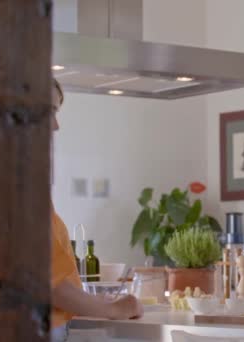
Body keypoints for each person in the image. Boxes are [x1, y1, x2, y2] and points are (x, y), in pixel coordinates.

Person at [50, 78, 143, 341]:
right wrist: (112, 308)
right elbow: (51, 284)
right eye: (50, 111)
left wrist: (91, 301)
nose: (56, 125)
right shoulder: (13, 184)